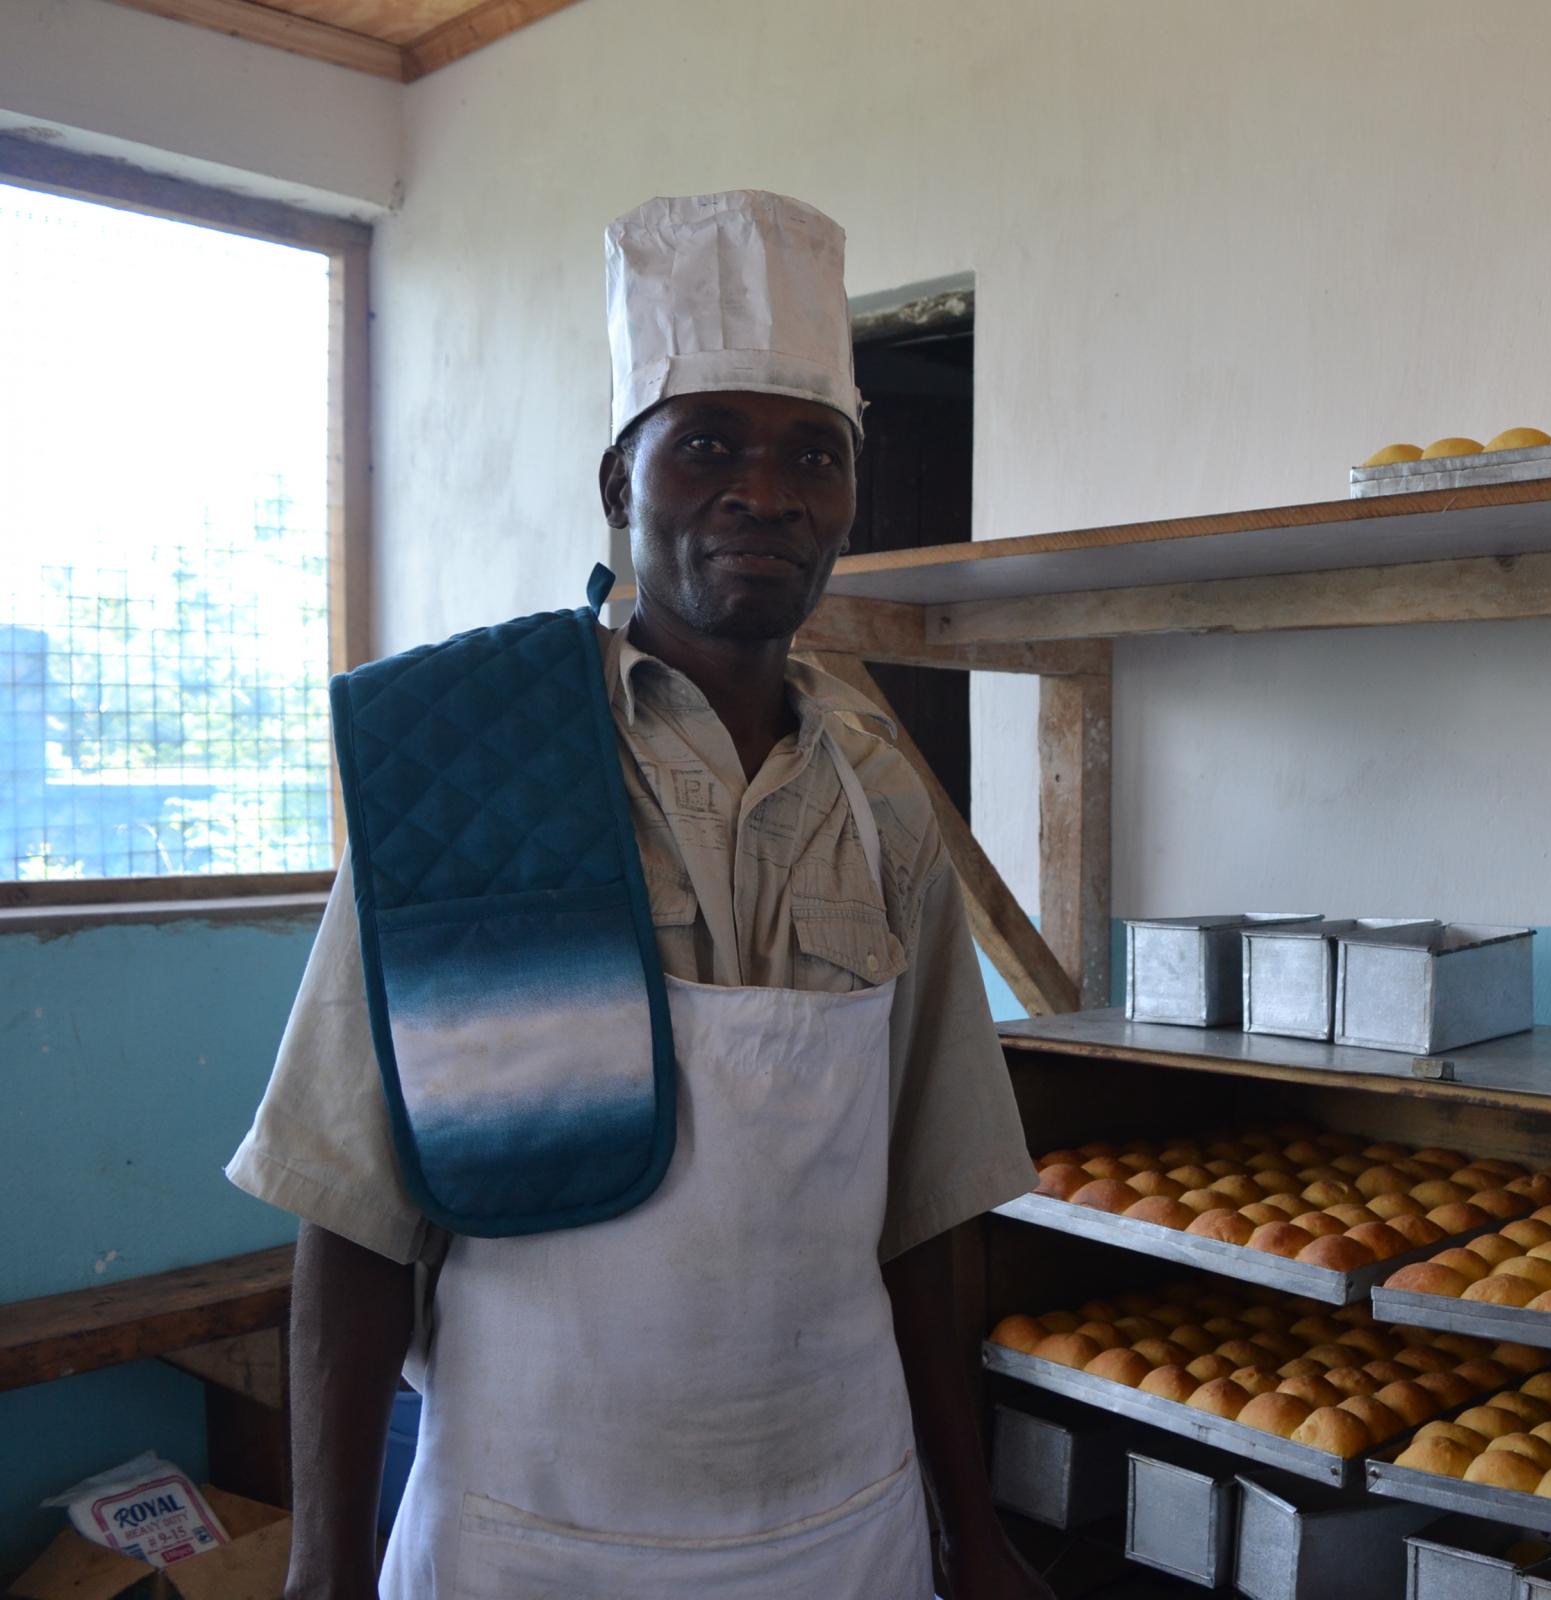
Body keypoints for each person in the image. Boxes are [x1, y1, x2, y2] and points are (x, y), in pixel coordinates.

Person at [229, 190, 1050, 1599]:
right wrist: (323, 1569)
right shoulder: (480, 765)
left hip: (840, 1530)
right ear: (621, 486)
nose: (766, 491)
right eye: (709, 444)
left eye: (814, 454)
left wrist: (970, 1529)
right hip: (533, 1537)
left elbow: (924, 1210)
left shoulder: (887, 794)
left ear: (850, 499)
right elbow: (353, 1213)